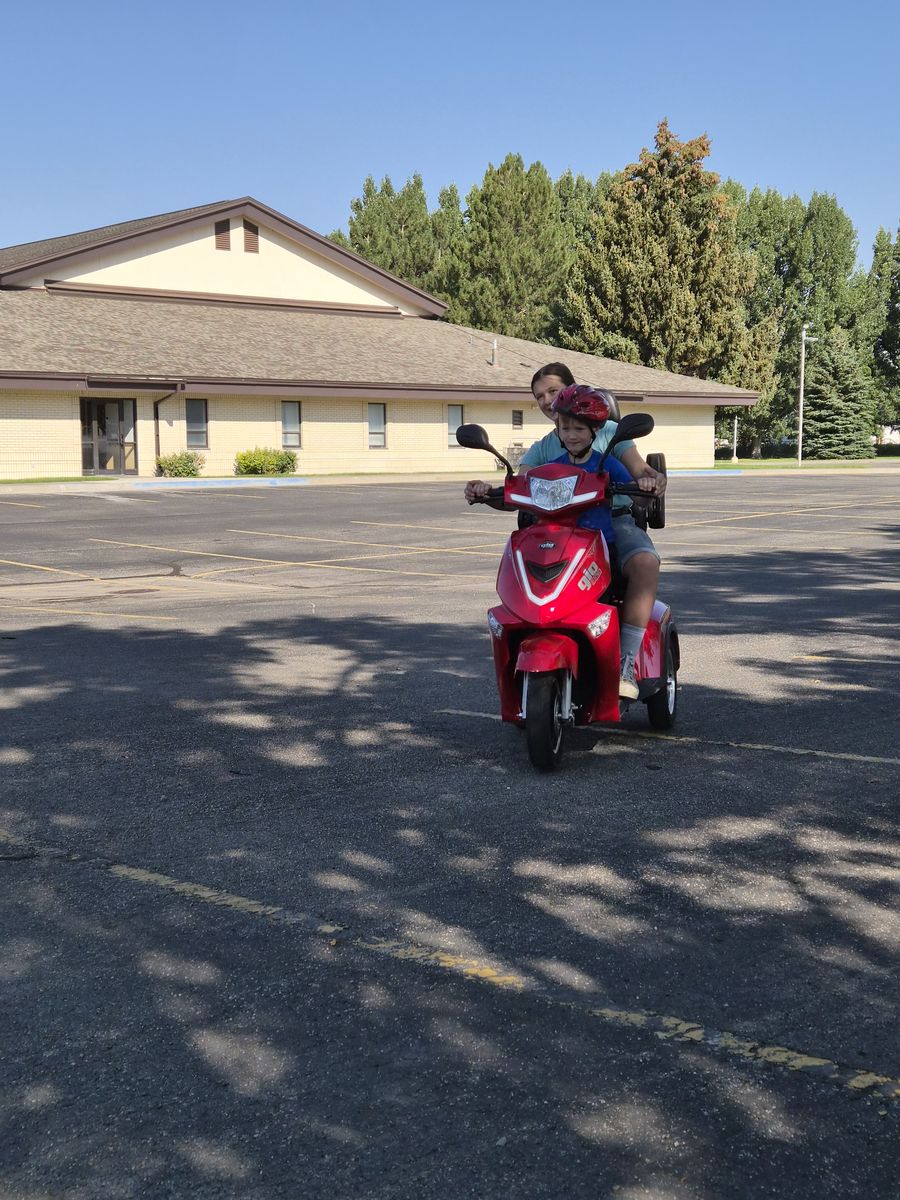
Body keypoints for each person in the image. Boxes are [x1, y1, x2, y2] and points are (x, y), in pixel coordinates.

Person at [465, 363, 664, 700]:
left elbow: (641, 474)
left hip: (610, 520)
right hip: (555, 526)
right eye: (539, 396)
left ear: (572, 391)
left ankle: (626, 660)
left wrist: (649, 481)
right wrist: (486, 492)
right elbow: (519, 488)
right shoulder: (544, 447)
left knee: (645, 562)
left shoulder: (609, 433)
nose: (546, 400)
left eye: (552, 391)